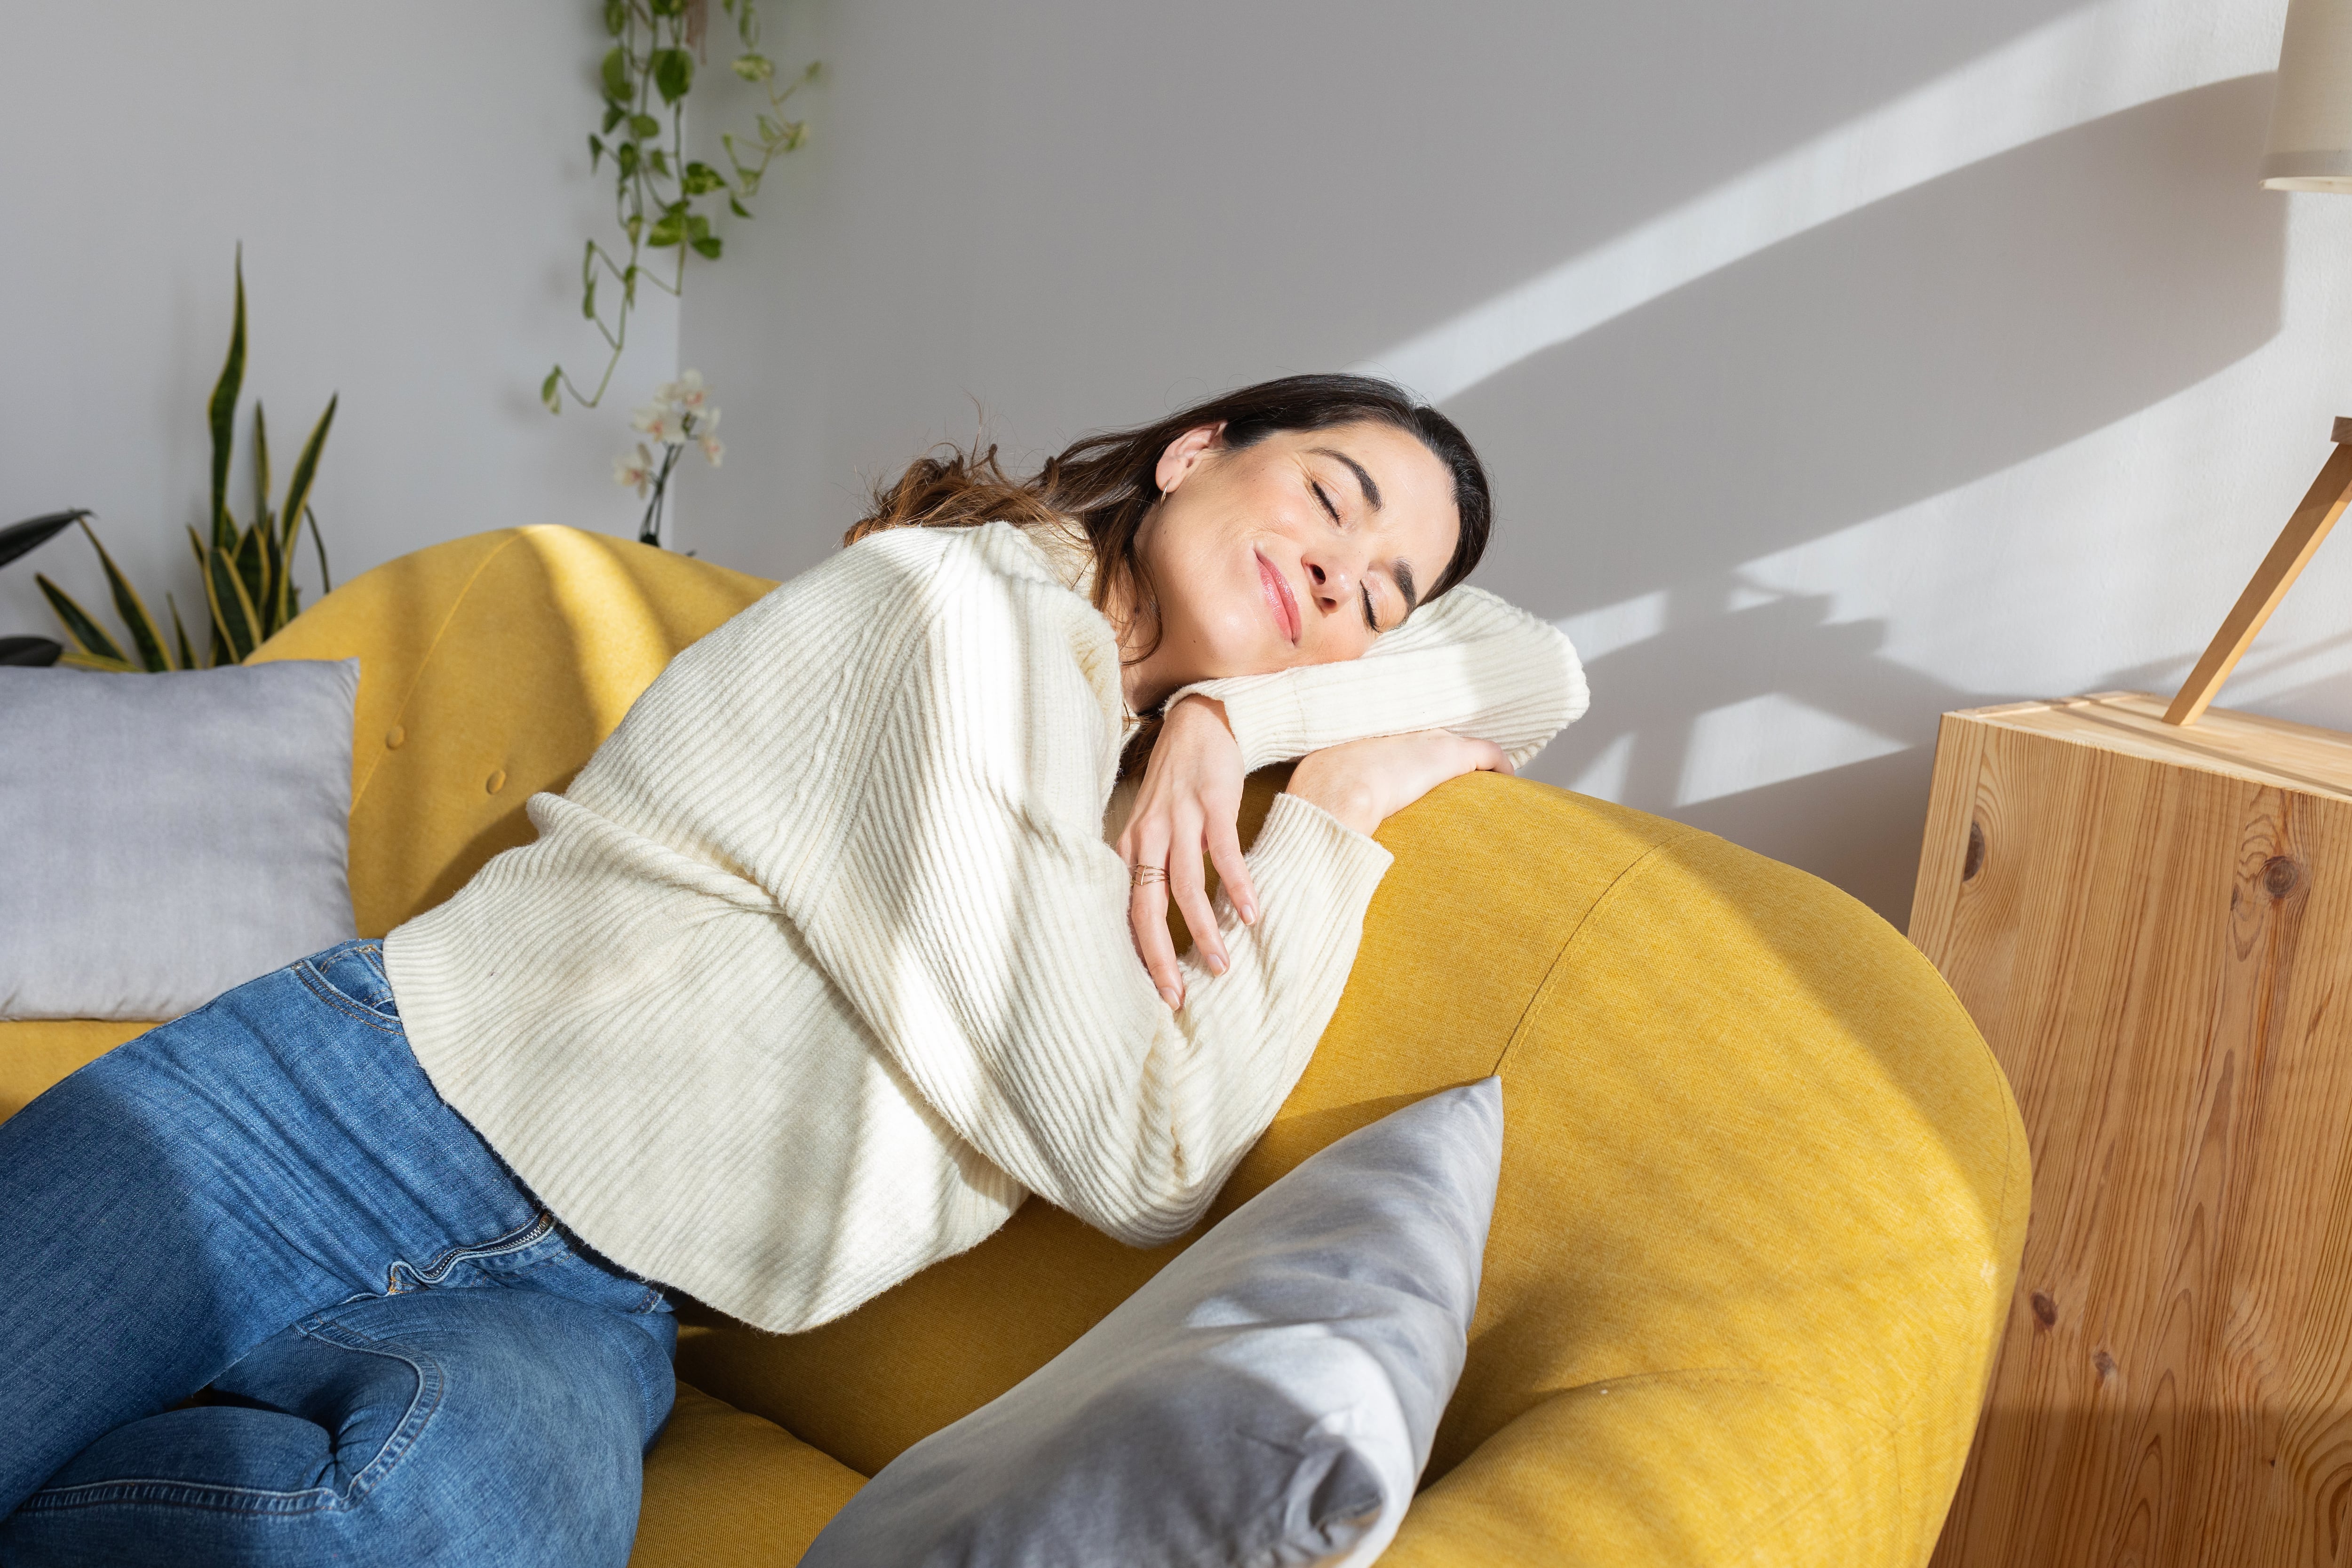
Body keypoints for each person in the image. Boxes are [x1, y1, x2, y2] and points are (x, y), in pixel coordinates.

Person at [0, 374, 1586, 1565]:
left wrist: (1270, 744)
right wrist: (1287, 759)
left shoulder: (1136, 793)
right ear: (1195, 454)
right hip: (340, 1115)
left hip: (595, 1317)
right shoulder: (955, 616)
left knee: (412, 1527)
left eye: (1385, 598)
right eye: (1329, 498)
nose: (1344, 576)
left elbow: (1536, 666)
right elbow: (1146, 1145)